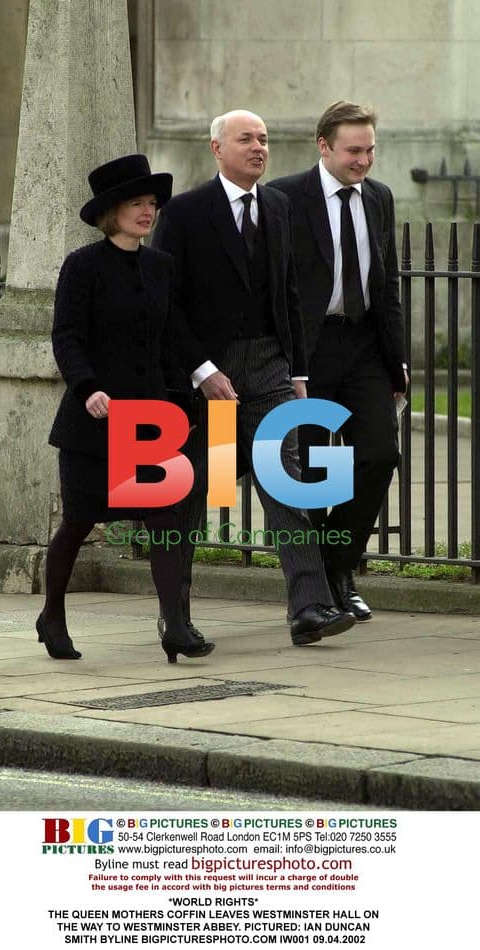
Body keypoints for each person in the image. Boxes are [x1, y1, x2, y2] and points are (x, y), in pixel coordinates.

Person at [152, 109, 356, 647]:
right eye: (246, 139)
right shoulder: (186, 212)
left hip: (268, 364)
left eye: (264, 139)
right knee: (195, 487)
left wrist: (299, 374)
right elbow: (167, 304)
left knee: (283, 472)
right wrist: (202, 371)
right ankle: (176, 616)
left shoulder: (280, 207)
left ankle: (309, 607)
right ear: (217, 147)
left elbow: (288, 295)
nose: (258, 147)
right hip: (209, 372)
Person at [38, 154, 215, 664]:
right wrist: (87, 386)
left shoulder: (162, 266)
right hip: (92, 424)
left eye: (152, 204)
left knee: (163, 520)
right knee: (79, 522)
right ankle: (52, 614)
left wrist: (205, 377)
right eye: (136, 204)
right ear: (111, 212)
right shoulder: (82, 266)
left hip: (150, 423)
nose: (148, 212)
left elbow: (173, 336)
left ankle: (176, 626)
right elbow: (66, 335)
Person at [268, 101, 409, 621]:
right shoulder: (283, 196)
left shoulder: (379, 197)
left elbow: (386, 283)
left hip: (365, 347)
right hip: (307, 350)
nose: (364, 160)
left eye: (370, 149)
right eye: (354, 150)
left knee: (376, 455)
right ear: (323, 145)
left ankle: (336, 565)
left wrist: (397, 363)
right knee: (310, 471)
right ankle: (320, 586)